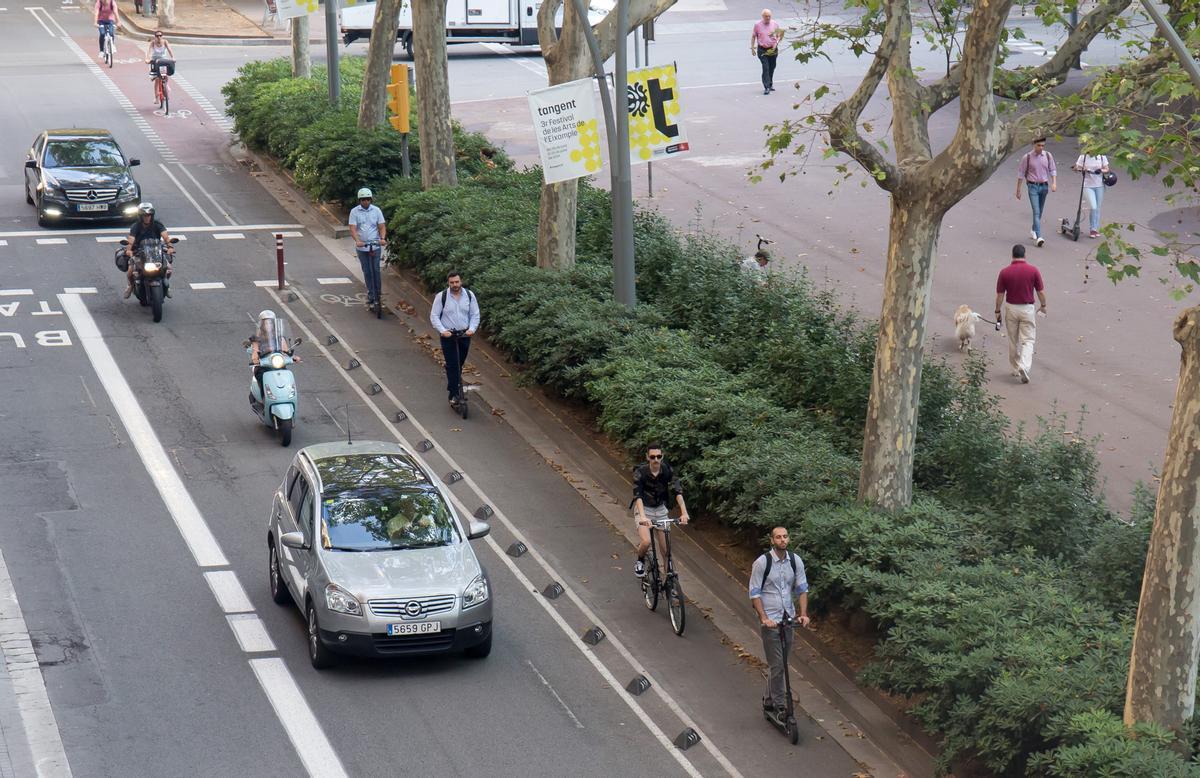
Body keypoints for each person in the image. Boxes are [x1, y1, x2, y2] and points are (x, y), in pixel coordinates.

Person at [749, 527, 810, 715]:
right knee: (778, 664)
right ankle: (779, 703)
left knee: (781, 661)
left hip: (788, 618)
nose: (782, 540)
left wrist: (803, 614)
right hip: (771, 620)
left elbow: (802, 588)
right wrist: (764, 618)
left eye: (785, 537)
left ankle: (768, 698)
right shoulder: (762, 563)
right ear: (772, 540)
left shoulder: (795, 560)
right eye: (778, 537)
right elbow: (754, 593)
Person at [631, 443, 690, 578]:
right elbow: (638, 496)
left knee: (666, 550)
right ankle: (639, 561)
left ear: (662, 456)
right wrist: (643, 517)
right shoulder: (640, 473)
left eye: (658, 456)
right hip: (644, 510)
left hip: (661, 510)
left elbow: (678, 491)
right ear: (647, 457)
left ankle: (669, 584)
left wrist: (684, 512)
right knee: (646, 541)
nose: (656, 460)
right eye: (652, 457)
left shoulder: (667, 470)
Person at [994, 243, 1047, 384]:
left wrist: (997, 311)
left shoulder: (1004, 272)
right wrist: (1043, 305)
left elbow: (1000, 295)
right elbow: (1040, 291)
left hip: (1011, 307)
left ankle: (1015, 367)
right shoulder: (1033, 270)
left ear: (1012, 255)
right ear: (1025, 255)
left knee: (1013, 340)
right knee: (1028, 340)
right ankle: (1024, 365)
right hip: (1027, 309)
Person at [429, 271, 480, 406]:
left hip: (464, 335)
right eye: (452, 282)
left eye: (457, 282)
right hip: (449, 336)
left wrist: (471, 329)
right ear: (448, 283)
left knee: (459, 364)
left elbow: (475, 314)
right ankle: (454, 393)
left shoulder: (469, 295)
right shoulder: (442, 297)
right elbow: (434, 316)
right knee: (452, 365)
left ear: (461, 282)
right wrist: (443, 331)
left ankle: (455, 387)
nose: (455, 285)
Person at [123, 202, 173, 299]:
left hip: (156, 251)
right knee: (130, 271)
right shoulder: (136, 226)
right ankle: (130, 286)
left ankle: (167, 285)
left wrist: (170, 247)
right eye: (144, 215)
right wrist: (129, 250)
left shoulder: (158, 224)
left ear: (152, 215)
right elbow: (131, 240)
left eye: (149, 215)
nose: (147, 217)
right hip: (139, 252)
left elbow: (166, 237)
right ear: (140, 216)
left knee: (169, 268)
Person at [348, 188, 388, 309]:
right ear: (360, 200)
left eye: (367, 199)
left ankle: (378, 295)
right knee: (367, 271)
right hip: (362, 248)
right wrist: (358, 241)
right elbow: (353, 228)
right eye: (363, 200)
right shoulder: (354, 212)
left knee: (376, 270)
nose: (365, 202)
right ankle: (371, 295)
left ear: (370, 199)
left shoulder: (376, 210)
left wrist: (382, 238)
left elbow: (381, 226)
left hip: (375, 246)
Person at [248, 310, 299, 401]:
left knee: (286, 375)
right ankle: (264, 398)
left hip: (277, 363)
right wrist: (256, 359)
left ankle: (287, 395)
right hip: (263, 365)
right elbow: (255, 355)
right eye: (266, 323)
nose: (268, 325)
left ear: (274, 324)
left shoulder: (279, 337)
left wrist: (293, 357)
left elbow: (285, 351)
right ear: (262, 325)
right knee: (261, 376)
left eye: (270, 323)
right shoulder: (256, 339)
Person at [1015, 137, 1056, 247]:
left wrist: (1054, 183)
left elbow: (1053, 169)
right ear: (1034, 145)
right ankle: (1039, 236)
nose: (1041, 148)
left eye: (1043, 146)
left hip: (1044, 186)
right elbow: (1021, 174)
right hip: (1032, 186)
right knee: (1036, 211)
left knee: (1040, 211)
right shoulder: (1027, 157)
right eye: (1039, 145)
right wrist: (1018, 190)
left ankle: (1034, 228)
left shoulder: (1047, 156)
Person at [1073, 151, 1110, 238]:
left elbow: (1107, 169)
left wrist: (1101, 170)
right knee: (1093, 206)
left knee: (1097, 208)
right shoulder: (1083, 157)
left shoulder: (1101, 156)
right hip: (1088, 186)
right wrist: (1083, 169)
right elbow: (1076, 168)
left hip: (1099, 185)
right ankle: (1093, 229)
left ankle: (1094, 229)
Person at [750, 9, 784, 96]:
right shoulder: (757, 25)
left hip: (772, 49)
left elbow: (779, 35)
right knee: (766, 67)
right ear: (762, 16)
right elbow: (753, 36)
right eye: (766, 16)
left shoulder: (775, 24)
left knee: (772, 67)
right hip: (762, 49)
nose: (768, 18)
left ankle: (770, 83)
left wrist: (776, 43)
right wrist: (753, 47)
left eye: (769, 16)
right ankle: (766, 87)